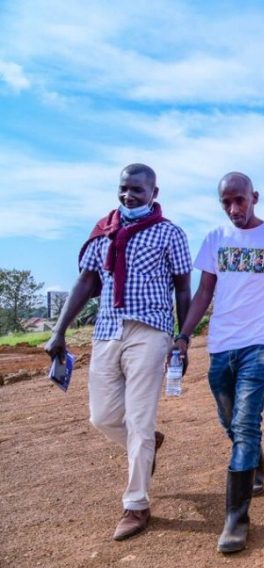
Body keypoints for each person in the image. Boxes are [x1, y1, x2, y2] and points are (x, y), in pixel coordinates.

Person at [171, 172, 264, 553]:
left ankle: (236, 519)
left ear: (255, 197)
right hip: (221, 345)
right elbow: (204, 292)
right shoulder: (215, 239)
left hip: (260, 345)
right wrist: (183, 337)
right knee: (229, 420)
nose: (234, 209)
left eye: (240, 200)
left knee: (245, 421)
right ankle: (255, 459)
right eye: (226, 203)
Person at [44, 164, 192, 541]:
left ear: (154, 193)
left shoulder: (170, 234)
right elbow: (86, 281)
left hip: (150, 332)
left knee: (139, 419)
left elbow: (182, 288)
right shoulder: (104, 232)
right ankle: (148, 444)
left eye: (138, 191)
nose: (129, 196)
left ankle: (136, 505)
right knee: (102, 417)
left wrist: (182, 337)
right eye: (124, 189)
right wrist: (59, 331)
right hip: (107, 331)